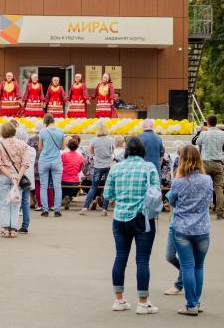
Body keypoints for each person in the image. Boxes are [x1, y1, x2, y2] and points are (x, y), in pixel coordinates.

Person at [103, 137, 160, 314]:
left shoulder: (117, 168)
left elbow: (107, 194)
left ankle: (118, 300)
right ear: (142, 151)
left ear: (127, 151)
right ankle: (143, 303)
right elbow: (156, 192)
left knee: (120, 257)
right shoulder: (149, 167)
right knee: (142, 260)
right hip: (143, 218)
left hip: (120, 218)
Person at [168, 145, 213, 316]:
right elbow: (209, 199)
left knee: (187, 266)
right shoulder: (207, 180)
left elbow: (172, 201)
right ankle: (197, 302)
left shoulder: (178, 182)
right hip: (202, 229)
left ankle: (191, 305)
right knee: (199, 266)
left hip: (182, 228)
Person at [0, 122, 30, 238]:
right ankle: (13, 228)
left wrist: (9, 175)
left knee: (4, 202)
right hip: (18, 176)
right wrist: (18, 176)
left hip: (3, 176)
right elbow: (25, 163)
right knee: (15, 203)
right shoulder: (23, 145)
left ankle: (5, 228)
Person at [195, 114, 224, 220]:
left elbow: (197, 142)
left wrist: (201, 130)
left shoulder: (204, 134)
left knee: (203, 188)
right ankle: (220, 212)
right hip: (218, 163)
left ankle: (203, 211)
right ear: (216, 122)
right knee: (219, 188)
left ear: (207, 123)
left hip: (205, 163)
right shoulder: (223, 133)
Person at [79, 120, 113, 215]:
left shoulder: (94, 140)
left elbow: (91, 152)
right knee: (106, 188)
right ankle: (104, 209)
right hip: (107, 166)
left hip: (98, 166)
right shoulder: (110, 140)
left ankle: (85, 208)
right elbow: (112, 152)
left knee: (93, 187)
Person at [38, 114, 65, 217]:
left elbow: (40, 147)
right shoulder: (61, 131)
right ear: (53, 121)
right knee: (57, 186)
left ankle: (45, 210)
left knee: (44, 186)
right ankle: (57, 210)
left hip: (44, 160)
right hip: (56, 161)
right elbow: (62, 147)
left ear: (45, 122)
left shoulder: (42, 131)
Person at [61, 138, 84, 209]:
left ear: (68, 146)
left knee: (62, 186)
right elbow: (80, 169)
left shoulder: (64, 155)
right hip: (75, 180)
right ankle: (68, 196)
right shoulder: (80, 157)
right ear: (77, 146)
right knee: (72, 188)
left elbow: (60, 165)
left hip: (64, 179)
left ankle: (65, 196)